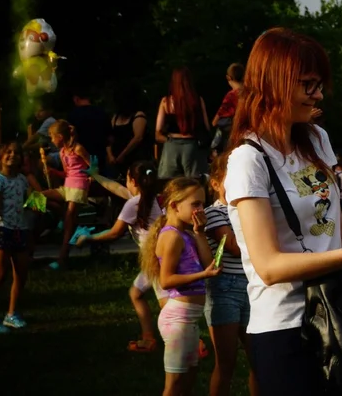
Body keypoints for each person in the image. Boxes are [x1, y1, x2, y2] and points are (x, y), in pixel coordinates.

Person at [224, 28, 342, 396]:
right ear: (274, 83)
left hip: (340, 316)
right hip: (285, 332)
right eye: (307, 84)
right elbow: (270, 267)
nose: (319, 94)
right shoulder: (248, 160)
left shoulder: (317, 140)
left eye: (319, 84)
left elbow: (338, 233)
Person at [141, 177, 220, 396]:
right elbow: (166, 280)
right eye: (195, 204)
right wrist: (202, 275)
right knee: (174, 384)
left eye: (202, 204)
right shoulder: (171, 237)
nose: (200, 209)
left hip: (189, 320)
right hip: (178, 319)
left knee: (189, 380)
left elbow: (208, 263)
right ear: (175, 206)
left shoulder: (185, 234)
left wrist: (200, 233)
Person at [79, 160, 166, 353]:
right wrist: (95, 175)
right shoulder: (151, 197)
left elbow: (114, 233)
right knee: (137, 294)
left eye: (127, 178)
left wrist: (89, 238)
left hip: (156, 259)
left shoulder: (134, 203)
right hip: (160, 256)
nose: (124, 182)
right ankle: (149, 338)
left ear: (133, 181)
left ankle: (193, 344)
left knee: (166, 305)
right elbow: (116, 188)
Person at [205, 154, 258, 396]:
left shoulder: (249, 210)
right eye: (230, 180)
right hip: (226, 288)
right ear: (215, 184)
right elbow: (234, 248)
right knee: (226, 364)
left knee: (258, 361)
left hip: (251, 286)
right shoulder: (215, 213)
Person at [0, 142, 33, 334]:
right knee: (0, 275)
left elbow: (32, 202)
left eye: (16, 153)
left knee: (20, 274)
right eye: (8, 152)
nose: (13, 155)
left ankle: (11, 314)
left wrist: (45, 202)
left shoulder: (22, 179)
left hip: (21, 230)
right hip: (4, 230)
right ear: (0, 158)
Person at [42, 120, 91, 270]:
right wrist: (53, 172)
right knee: (38, 196)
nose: (51, 140)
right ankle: (62, 216)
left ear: (60, 137)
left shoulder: (78, 148)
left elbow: (92, 165)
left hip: (78, 188)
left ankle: (62, 259)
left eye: (52, 137)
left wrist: (91, 177)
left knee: (69, 225)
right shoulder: (63, 153)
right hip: (68, 186)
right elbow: (67, 173)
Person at [156, 67, 212, 180]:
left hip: (171, 146)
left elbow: (158, 130)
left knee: (168, 183)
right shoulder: (197, 100)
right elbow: (207, 127)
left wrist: (168, 140)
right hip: (192, 146)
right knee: (195, 183)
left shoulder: (166, 102)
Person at [108, 86, 150, 179]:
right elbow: (109, 137)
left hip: (134, 159)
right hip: (117, 160)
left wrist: (123, 155)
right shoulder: (115, 117)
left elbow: (138, 138)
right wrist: (110, 155)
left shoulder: (138, 115)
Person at [210, 63, 245, 158]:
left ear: (228, 77)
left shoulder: (231, 95)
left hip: (231, 136)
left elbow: (215, 120)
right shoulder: (250, 94)